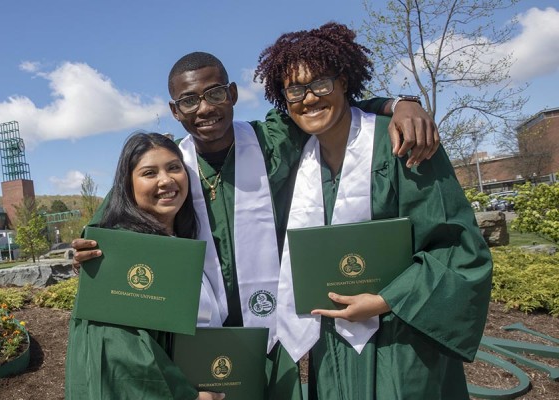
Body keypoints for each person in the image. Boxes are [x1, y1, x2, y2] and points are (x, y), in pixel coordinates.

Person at [74, 51, 440, 400]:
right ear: (175, 110)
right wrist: (88, 251)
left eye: (215, 93)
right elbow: (109, 231)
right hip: (193, 338)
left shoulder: (272, 141)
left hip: (272, 335)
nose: (205, 108)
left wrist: (398, 104)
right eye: (189, 101)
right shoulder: (170, 164)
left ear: (232, 94)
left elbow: (322, 107)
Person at [254, 22, 492, 399]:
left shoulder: (403, 144)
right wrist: (398, 102)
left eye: (321, 83)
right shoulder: (296, 155)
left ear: (345, 81)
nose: (309, 98)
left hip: (402, 339)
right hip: (329, 342)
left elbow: (458, 248)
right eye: (295, 89)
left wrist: (385, 301)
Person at [65, 132, 224, 400]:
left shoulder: (183, 245)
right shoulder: (121, 255)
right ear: (127, 186)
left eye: (174, 167)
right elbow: (120, 353)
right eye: (149, 173)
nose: (166, 180)